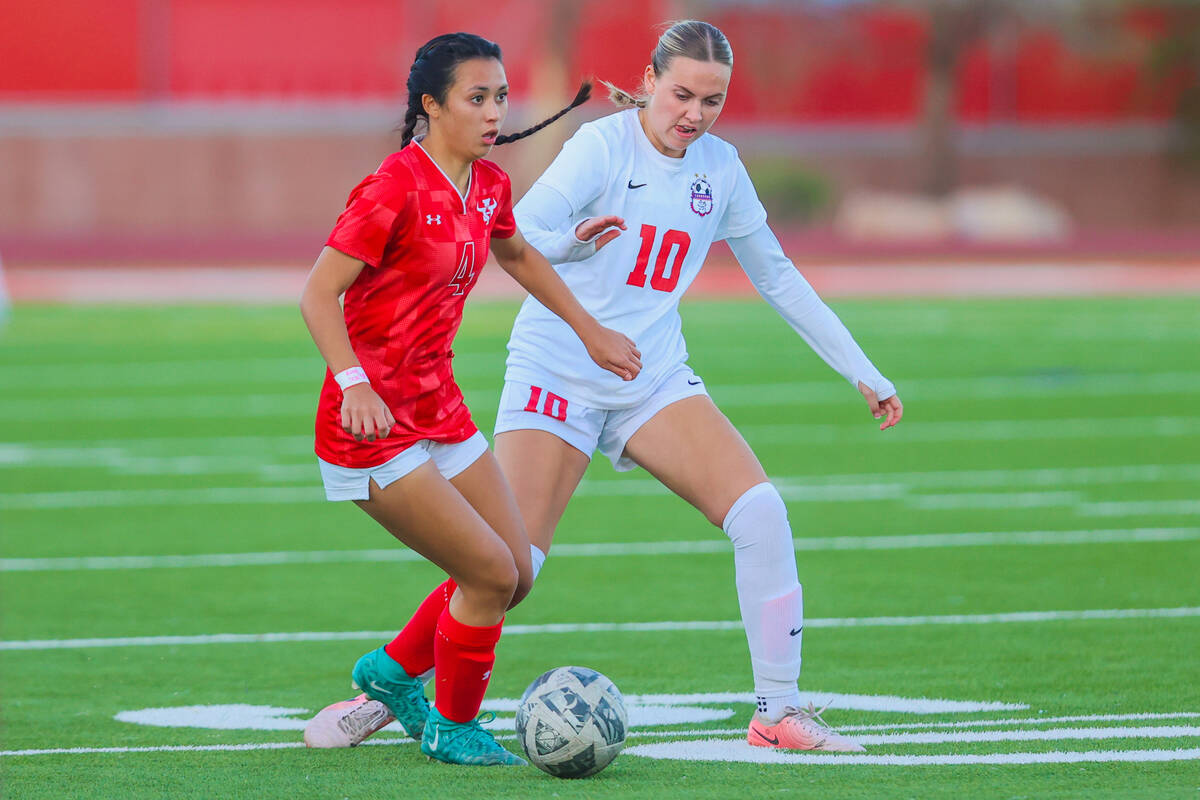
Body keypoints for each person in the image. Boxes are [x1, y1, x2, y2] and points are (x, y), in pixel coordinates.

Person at [490, 20, 903, 753]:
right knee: (509, 566)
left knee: (761, 513)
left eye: (711, 101)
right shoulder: (602, 145)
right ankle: (393, 685)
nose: (694, 114)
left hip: (649, 377)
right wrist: (573, 238)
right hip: (558, 364)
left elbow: (776, 275)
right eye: (682, 94)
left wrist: (863, 370)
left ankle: (777, 712)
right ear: (648, 80)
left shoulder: (722, 168)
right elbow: (519, 230)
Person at [298, 32, 640, 766]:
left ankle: (388, 676)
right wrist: (353, 383)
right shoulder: (392, 186)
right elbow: (318, 293)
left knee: (513, 572)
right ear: (431, 105)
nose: (494, 113)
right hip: (372, 426)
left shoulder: (487, 185)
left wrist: (590, 331)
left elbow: (514, 251)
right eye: (476, 98)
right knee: (486, 574)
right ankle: (451, 726)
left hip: (439, 408)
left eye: (501, 97)